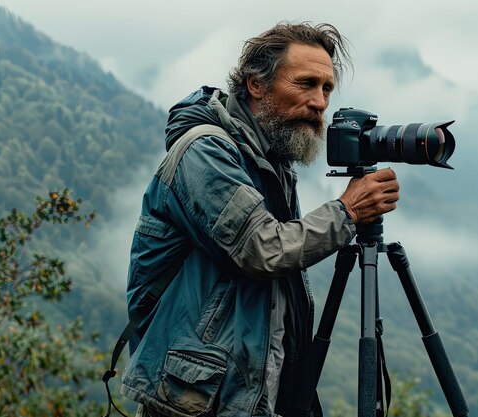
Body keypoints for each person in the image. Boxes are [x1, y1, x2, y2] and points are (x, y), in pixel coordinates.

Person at [121, 22, 400, 417]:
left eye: (326, 89)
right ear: (256, 85)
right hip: (199, 400)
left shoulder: (269, 158)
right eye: (305, 83)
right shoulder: (205, 152)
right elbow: (262, 249)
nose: (320, 102)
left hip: (247, 393)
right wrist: (347, 212)